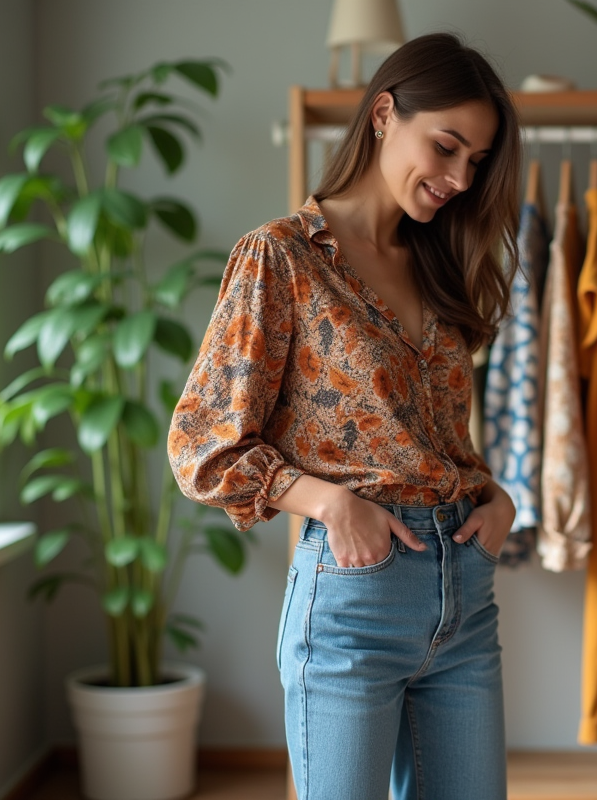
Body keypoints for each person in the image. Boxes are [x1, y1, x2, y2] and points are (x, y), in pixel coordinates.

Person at [167, 32, 520, 800]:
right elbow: (202, 443)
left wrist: (495, 494)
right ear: (384, 114)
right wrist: (328, 502)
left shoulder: (442, 264)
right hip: (357, 594)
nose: (460, 177)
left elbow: (436, 435)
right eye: (447, 146)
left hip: (464, 600)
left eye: (478, 161)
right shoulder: (281, 257)